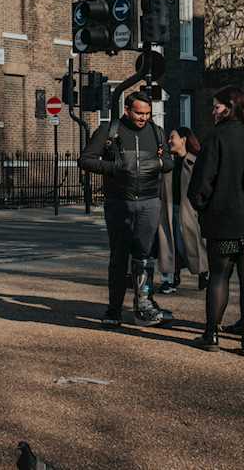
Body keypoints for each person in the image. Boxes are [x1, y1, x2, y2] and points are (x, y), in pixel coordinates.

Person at [188, 86, 244, 356]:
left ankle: (212, 334)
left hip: (225, 218)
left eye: (216, 107)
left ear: (229, 107)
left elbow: (201, 182)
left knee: (219, 276)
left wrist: (202, 206)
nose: (213, 112)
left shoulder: (218, 136)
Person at [79, 91, 175, 327]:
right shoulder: (109, 131)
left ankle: (144, 306)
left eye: (147, 114)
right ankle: (113, 310)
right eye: (139, 113)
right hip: (119, 202)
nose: (143, 118)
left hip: (149, 201)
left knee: (144, 256)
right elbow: (85, 160)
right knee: (119, 256)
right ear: (127, 110)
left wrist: (159, 163)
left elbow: (170, 162)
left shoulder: (156, 132)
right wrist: (114, 168)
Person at [158, 126, 208, 294]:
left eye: (173, 137)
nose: (169, 141)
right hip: (170, 208)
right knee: (168, 244)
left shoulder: (195, 161)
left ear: (183, 140)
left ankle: (204, 273)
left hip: (190, 211)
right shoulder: (168, 163)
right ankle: (170, 278)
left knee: (193, 243)